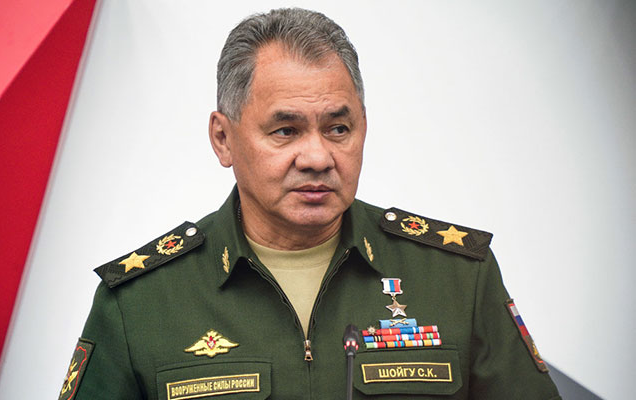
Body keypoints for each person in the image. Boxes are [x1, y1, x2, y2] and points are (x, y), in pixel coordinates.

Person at [59, 8, 561, 400]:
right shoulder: (140, 303)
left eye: (338, 128)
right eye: (286, 131)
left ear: (364, 127)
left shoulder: (456, 278)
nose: (319, 157)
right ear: (223, 139)